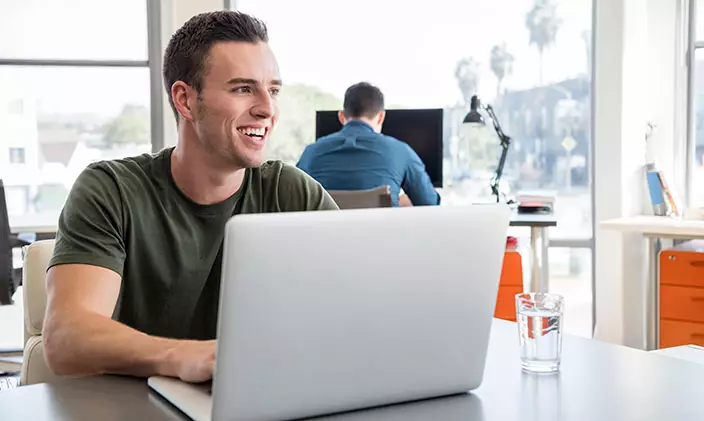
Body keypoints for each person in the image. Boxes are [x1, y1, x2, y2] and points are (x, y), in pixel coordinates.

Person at [42, 11, 338, 383]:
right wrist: (186, 357)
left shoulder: (294, 193)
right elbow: (66, 339)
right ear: (185, 99)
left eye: (273, 90)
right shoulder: (110, 189)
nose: (268, 108)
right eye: (243, 88)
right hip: (134, 406)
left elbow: (357, 308)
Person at [296, 82, 440, 207]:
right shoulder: (401, 151)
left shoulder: (311, 152)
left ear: (341, 116)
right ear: (381, 117)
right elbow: (430, 203)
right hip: (382, 238)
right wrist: (394, 200)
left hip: (323, 238)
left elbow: (290, 201)